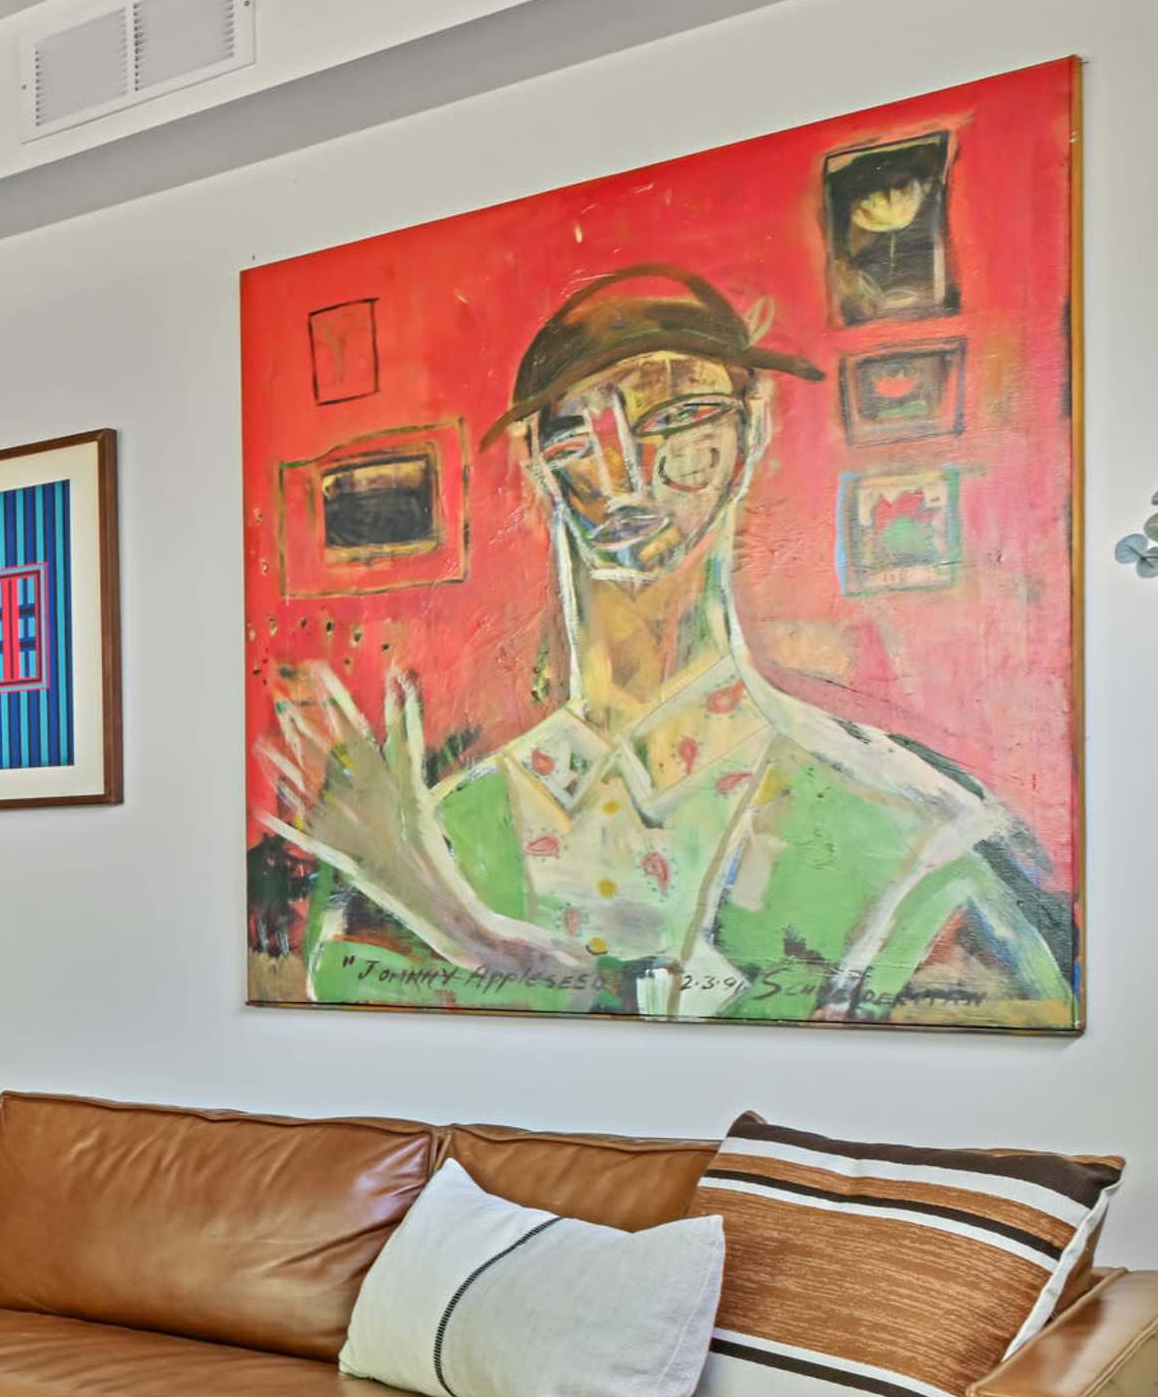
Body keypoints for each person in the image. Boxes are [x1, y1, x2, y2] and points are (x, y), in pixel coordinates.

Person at [262, 265, 1075, 1028]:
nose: (626, 473)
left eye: (679, 420)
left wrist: (455, 921)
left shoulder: (911, 831)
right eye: (578, 434)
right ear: (538, 465)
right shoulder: (444, 824)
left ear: (751, 429)